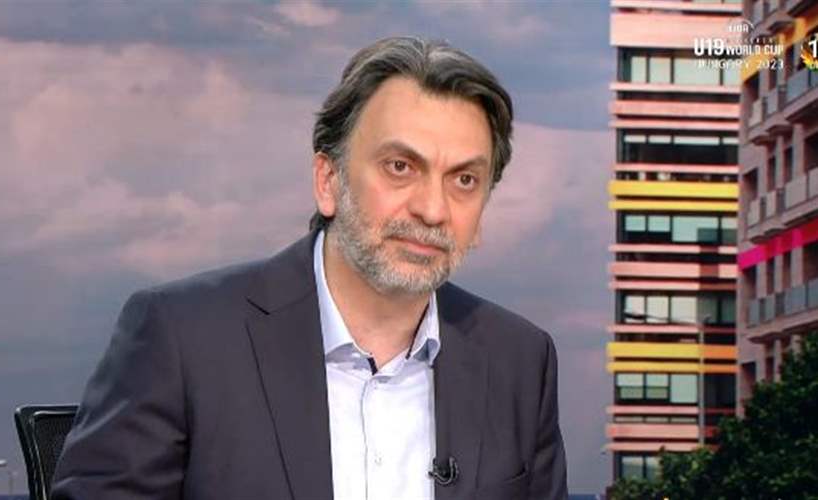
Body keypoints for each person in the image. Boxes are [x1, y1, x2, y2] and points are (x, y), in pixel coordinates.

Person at [52, 36, 567, 500]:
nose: (432, 210)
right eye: (400, 167)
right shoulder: (183, 337)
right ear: (328, 180)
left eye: (464, 180)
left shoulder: (520, 361)